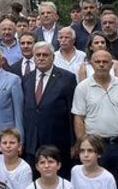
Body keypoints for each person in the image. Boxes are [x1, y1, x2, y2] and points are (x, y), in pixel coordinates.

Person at [72, 50, 118, 189]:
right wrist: (83, 144)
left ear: (111, 65)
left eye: (105, 62)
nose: (101, 65)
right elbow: (79, 118)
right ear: (92, 64)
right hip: (95, 145)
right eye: (97, 62)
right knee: (95, 185)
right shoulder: (82, 87)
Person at [21, 43, 77, 177]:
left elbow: (72, 113)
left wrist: (74, 143)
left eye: (45, 55)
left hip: (57, 142)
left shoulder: (67, 78)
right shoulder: (26, 79)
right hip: (32, 143)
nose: (41, 58)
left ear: (53, 57)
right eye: (38, 55)